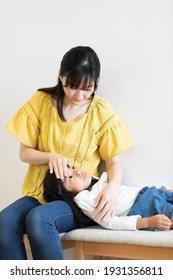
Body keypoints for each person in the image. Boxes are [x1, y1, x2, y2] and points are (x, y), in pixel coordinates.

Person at [0, 46, 132, 260]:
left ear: (96, 82)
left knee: (39, 219)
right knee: (5, 221)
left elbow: (113, 162)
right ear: (60, 76)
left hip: (80, 198)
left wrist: (113, 189)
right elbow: (24, 153)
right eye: (72, 86)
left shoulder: (101, 112)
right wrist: (50, 156)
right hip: (40, 193)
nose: (79, 95)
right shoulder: (40, 102)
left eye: (87, 88)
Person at [43, 167, 173, 231]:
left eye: (72, 167)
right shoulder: (83, 199)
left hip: (147, 193)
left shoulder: (93, 183)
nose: (77, 172)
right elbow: (110, 222)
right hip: (142, 206)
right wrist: (147, 223)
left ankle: (165, 192)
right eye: (70, 178)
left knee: (162, 194)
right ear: (67, 194)